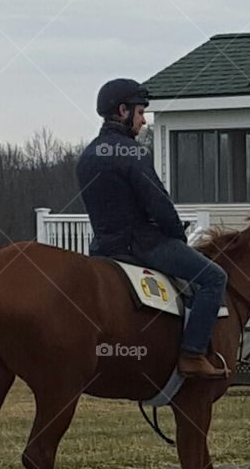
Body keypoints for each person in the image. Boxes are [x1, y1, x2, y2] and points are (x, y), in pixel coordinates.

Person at [77, 78, 228, 379]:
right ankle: (192, 354)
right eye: (140, 112)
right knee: (214, 277)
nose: (143, 120)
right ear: (123, 111)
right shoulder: (132, 153)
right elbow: (159, 205)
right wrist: (177, 236)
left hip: (102, 248)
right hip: (142, 244)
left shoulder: (87, 156)